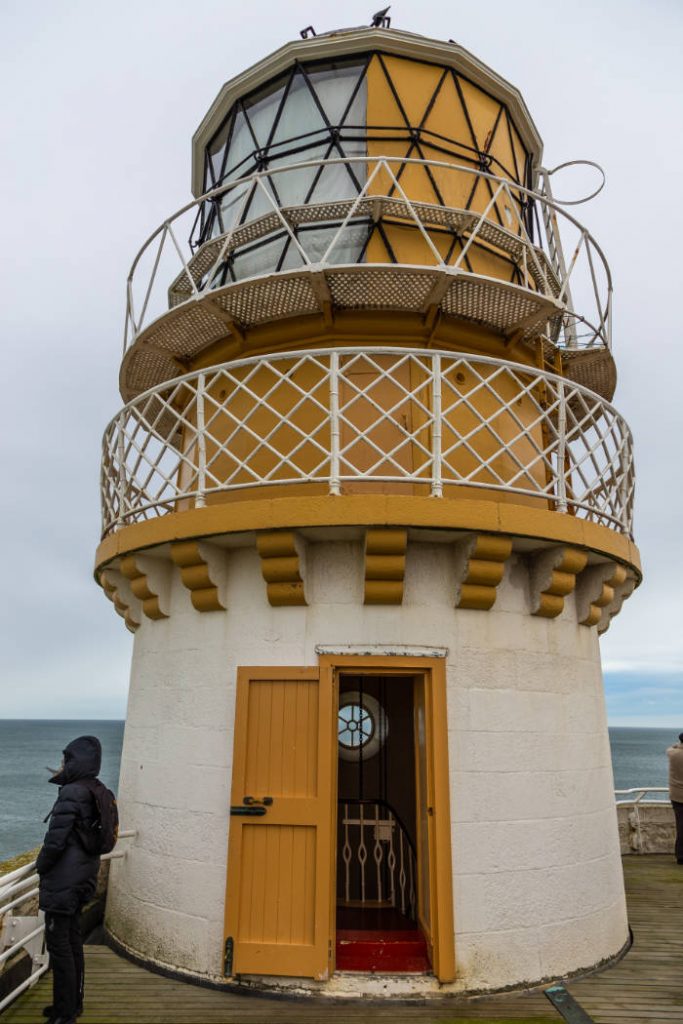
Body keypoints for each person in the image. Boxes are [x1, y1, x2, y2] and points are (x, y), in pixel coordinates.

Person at [36, 736, 103, 1024]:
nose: (62, 765)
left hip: (64, 883)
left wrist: (41, 866)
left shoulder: (72, 793)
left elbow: (56, 841)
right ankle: (72, 1005)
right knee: (73, 944)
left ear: (76, 761)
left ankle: (64, 1015)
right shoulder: (96, 790)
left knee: (60, 948)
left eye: (66, 760)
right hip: (83, 877)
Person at [666, 732, 683, 865]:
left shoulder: (672, 754)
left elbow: (671, 747)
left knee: (680, 826)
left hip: (677, 796)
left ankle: (680, 855)